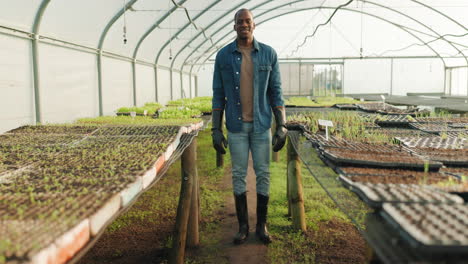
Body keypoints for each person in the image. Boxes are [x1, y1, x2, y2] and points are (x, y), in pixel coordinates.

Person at [211, 8, 287, 245]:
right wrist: (215, 129)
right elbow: (218, 94)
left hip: (261, 125)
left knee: (263, 174)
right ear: (234, 26)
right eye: (239, 22)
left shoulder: (268, 54)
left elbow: (276, 93)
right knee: (238, 175)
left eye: (247, 21)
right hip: (236, 127)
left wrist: (281, 125)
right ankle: (243, 227)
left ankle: (261, 226)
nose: (243, 24)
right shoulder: (223, 56)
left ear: (254, 25)